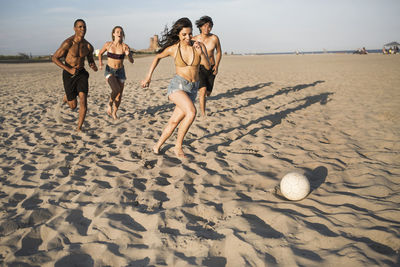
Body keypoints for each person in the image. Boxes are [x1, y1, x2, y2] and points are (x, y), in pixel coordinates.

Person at [141, 17, 210, 158]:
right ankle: (178, 147)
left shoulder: (199, 46)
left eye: (190, 34)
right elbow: (157, 57)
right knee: (191, 112)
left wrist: (201, 53)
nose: (188, 37)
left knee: (174, 121)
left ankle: (157, 146)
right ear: (178, 34)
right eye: (184, 34)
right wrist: (148, 77)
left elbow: (207, 66)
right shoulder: (173, 49)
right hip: (177, 86)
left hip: (193, 88)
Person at [52, 19, 98, 131]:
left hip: (81, 73)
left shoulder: (88, 46)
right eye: (80, 27)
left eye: (84, 27)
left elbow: (90, 60)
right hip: (69, 73)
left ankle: (79, 128)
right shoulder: (68, 43)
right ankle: (66, 98)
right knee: (73, 106)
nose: (83, 29)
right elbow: (54, 58)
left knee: (83, 99)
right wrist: (69, 69)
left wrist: (93, 66)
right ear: (75, 28)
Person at [98, 26, 134, 119]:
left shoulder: (125, 47)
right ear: (113, 34)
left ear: (123, 35)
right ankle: (109, 104)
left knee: (119, 95)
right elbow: (100, 53)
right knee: (116, 89)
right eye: (117, 32)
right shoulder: (108, 45)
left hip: (120, 71)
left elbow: (131, 61)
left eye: (121, 32)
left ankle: (114, 113)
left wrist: (128, 54)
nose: (119, 33)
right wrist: (101, 63)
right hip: (109, 70)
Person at [192, 16, 222, 117]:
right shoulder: (194, 39)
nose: (207, 28)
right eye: (204, 26)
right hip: (199, 68)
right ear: (200, 27)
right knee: (202, 90)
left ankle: (205, 97)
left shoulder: (214, 38)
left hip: (211, 67)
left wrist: (217, 65)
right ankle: (203, 113)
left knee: (208, 92)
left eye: (209, 26)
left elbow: (218, 52)